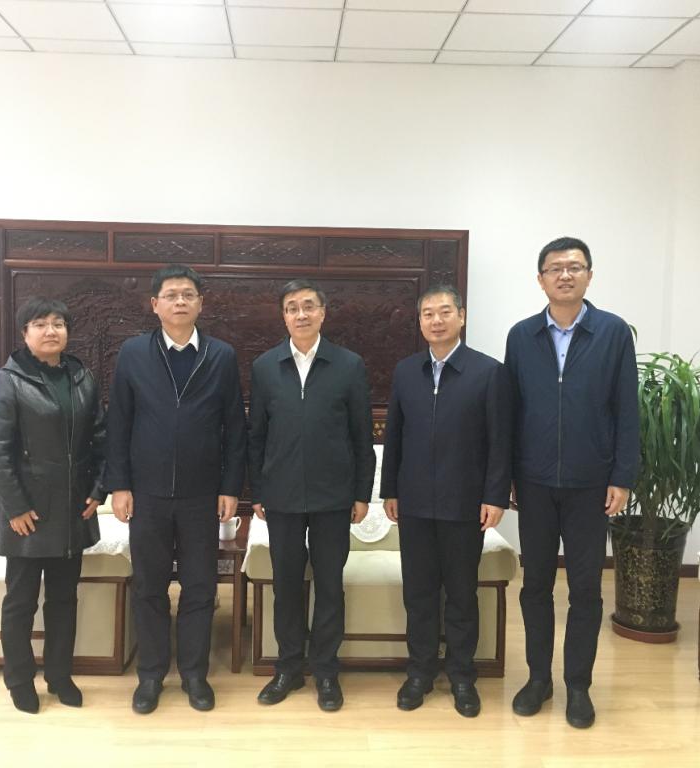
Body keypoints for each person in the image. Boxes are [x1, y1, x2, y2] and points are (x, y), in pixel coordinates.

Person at [505, 236, 639, 729]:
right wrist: (508, 477)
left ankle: (578, 685)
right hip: (534, 483)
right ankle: (538, 679)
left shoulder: (612, 332)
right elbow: (511, 411)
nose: (565, 275)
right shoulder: (522, 336)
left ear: (589, 275)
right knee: (535, 585)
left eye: (575, 267)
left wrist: (622, 476)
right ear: (540, 279)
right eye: (555, 268)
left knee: (585, 589)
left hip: (590, 484)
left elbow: (627, 408)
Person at [106, 265, 246, 715]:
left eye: (188, 294)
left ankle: (194, 674)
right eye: (171, 295)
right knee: (149, 586)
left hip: (201, 494)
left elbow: (235, 427)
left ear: (201, 303)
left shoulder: (221, 355)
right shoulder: (134, 353)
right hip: (146, 493)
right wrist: (119, 485)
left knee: (200, 586)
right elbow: (118, 422)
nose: (180, 301)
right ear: (155, 305)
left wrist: (231, 486)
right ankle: (150, 675)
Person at [380, 285, 512, 718]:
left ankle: (461, 676)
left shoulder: (488, 372)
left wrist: (495, 496)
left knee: (460, 594)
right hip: (415, 503)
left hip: (464, 504)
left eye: (444, 312)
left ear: (461, 316)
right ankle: (419, 672)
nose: (436, 320)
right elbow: (394, 435)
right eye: (427, 314)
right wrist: (390, 490)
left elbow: (500, 441)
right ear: (420, 322)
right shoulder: (406, 371)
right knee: (418, 593)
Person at [248, 279, 375, 712]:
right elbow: (256, 436)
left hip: (333, 497)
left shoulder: (348, 365)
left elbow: (361, 434)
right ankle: (288, 668)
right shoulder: (266, 366)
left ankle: (325, 671)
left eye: (308, 306)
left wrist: (362, 493)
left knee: (330, 586)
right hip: (281, 496)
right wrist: (257, 490)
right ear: (283, 316)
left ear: (323, 312)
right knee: (286, 586)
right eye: (291, 307)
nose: (300, 314)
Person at [0, 297, 107, 714]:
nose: (51, 331)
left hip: (72, 509)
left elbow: (101, 438)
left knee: (64, 598)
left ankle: (59, 675)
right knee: (20, 601)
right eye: (40, 324)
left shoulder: (82, 377)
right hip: (28, 514)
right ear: (25, 333)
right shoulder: (8, 380)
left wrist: (98, 490)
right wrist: (16, 507)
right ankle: (19, 680)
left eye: (58, 323)